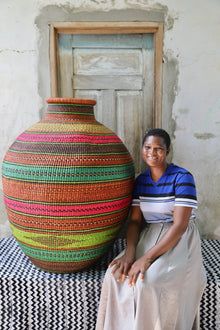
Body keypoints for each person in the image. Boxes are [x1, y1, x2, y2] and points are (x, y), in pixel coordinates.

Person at [95, 128, 207, 330]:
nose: (152, 153)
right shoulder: (141, 181)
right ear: (142, 149)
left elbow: (180, 225)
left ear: (167, 151)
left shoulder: (182, 177)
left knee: (149, 281)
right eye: (148, 147)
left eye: (158, 149)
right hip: (150, 235)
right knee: (114, 275)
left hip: (179, 239)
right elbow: (136, 222)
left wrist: (145, 259)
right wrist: (130, 255)